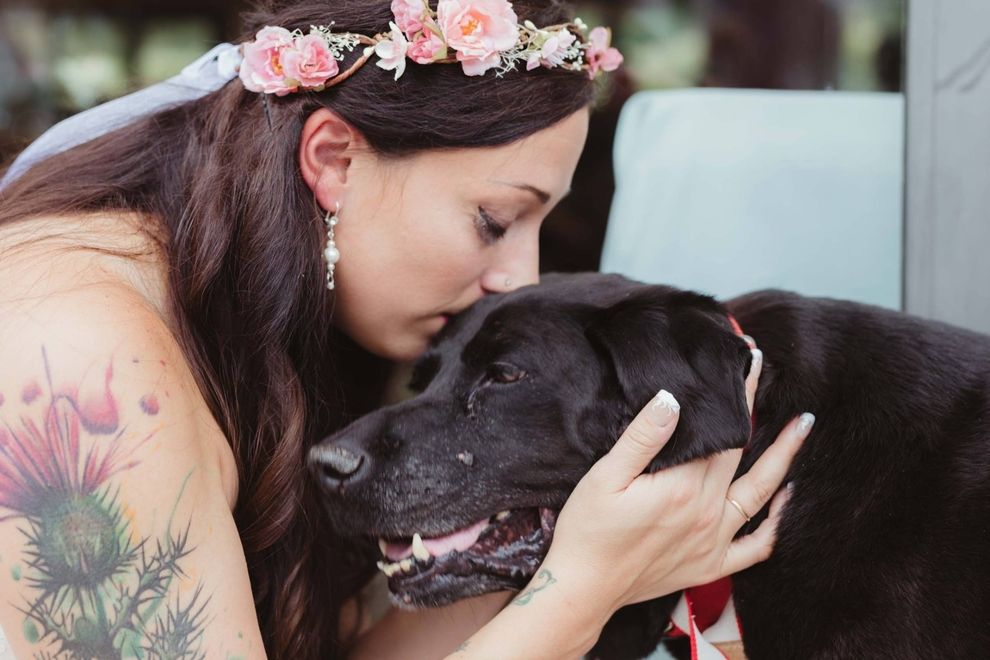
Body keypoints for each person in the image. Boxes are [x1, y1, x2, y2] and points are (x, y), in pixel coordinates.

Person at [0, 1, 813, 658]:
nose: (517, 279)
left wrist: (566, 541)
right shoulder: (73, 361)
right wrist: (587, 586)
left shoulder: (264, 317)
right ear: (335, 160)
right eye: (495, 220)